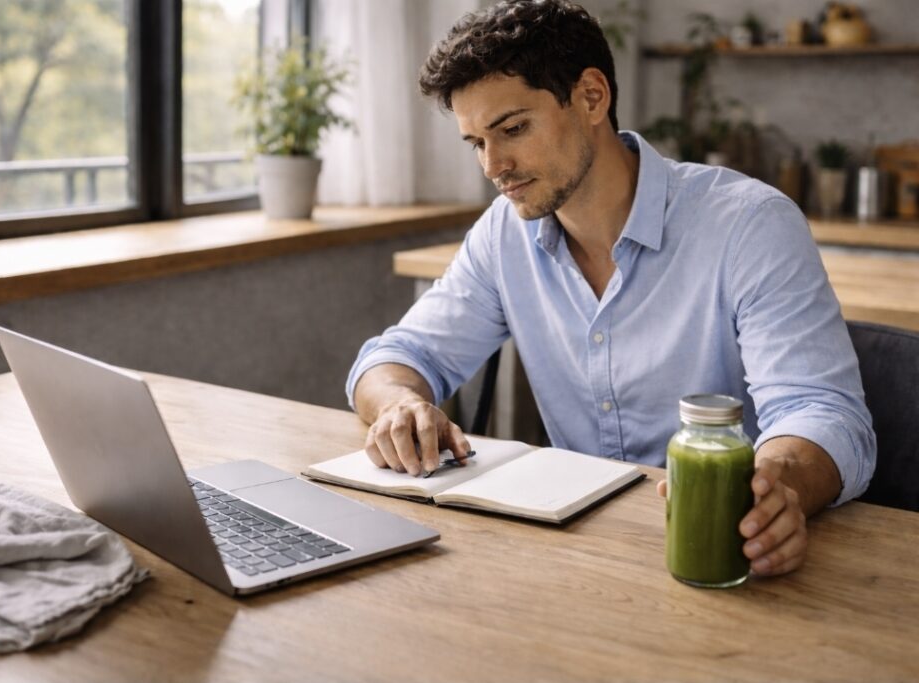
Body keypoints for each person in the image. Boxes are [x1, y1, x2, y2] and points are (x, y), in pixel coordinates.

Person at [345, 0, 875, 577]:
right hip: (577, 556)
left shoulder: (750, 225)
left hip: (719, 548)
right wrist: (400, 406)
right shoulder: (504, 235)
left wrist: (776, 487)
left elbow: (821, 412)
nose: (493, 166)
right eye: (476, 142)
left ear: (592, 97)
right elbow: (397, 357)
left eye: (513, 129)